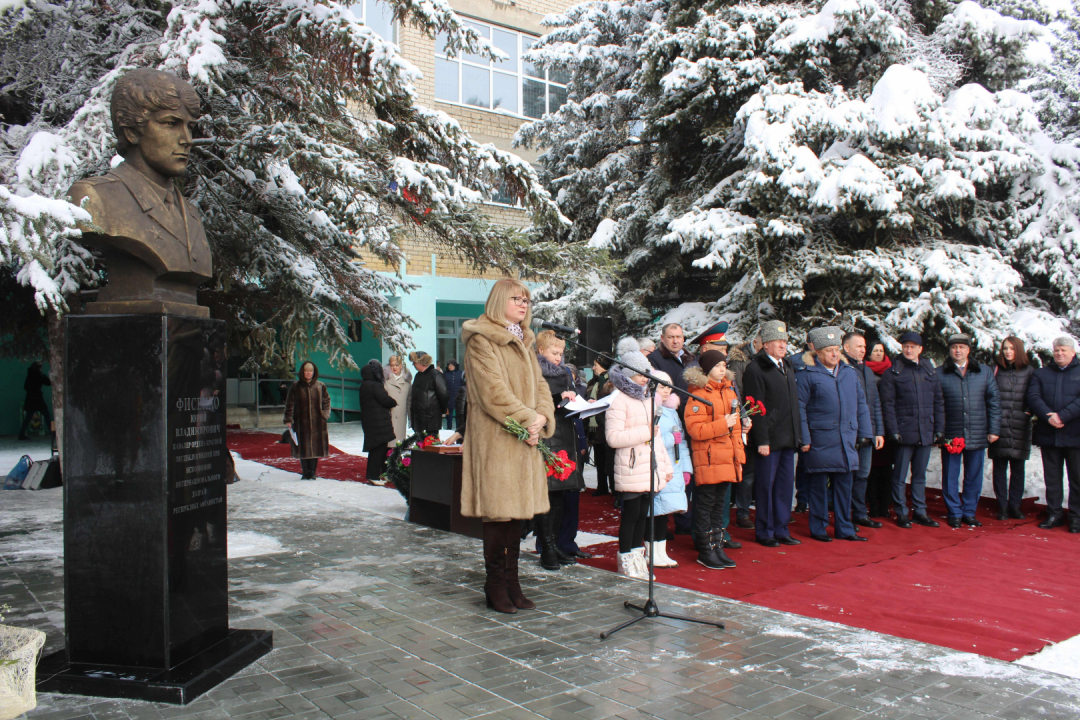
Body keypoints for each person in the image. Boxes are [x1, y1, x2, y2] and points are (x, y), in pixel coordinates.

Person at [460, 278, 555, 613]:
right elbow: (492, 392)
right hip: (497, 440)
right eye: (517, 298)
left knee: (515, 517)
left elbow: (541, 386)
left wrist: (542, 416)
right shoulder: (481, 340)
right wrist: (529, 418)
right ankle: (494, 584)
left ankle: (513, 582)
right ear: (499, 300)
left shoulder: (524, 341)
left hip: (524, 440)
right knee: (499, 516)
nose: (524, 304)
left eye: (527, 300)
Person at [796, 328, 875, 542]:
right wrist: (805, 438)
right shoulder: (807, 374)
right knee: (819, 488)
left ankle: (844, 528)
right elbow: (800, 408)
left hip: (846, 439)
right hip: (820, 440)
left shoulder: (849, 373)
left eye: (836, 350)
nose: (834, 354)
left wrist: (865, 433)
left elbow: (861, 403)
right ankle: (819, 528)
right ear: (818, 352)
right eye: (829, 350)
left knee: (844, 488)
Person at [606, 338, 673, 580]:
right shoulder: (619, 400)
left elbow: (656, 438)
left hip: (649, 467)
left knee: (643, 516)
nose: (646, 378)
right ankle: (626, 560)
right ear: (627, 374)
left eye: (647, 373)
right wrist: (645, 432)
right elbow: (613, 438)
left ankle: (638, 557)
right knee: (631, 516)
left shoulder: (647, 398)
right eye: (640, 374)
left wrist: (664, 465)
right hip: (631, 466)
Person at [741, 320, 803, 547]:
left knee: (785, 487)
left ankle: (781, 528)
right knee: (766, 487)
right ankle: (765, 531)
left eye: (785, 341)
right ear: (765, 344)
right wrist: (762, 439)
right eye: (777, 341)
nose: (782, 345)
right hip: (769, 440)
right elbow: (754, 406)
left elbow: (794, 405)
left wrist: (799, 436)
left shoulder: (786, 365)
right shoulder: (756, 368)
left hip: (788, 437)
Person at [684, 351, 747, 567]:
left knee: (720, 505)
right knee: (705, 504)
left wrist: (738, 450)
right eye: (718, 365)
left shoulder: (728, 391)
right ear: (707, 368)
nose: (723, 368)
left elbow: (736, 426)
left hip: (727, 456)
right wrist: (724, 424)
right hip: (709, 457)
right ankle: (705, 550)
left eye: (724, 364)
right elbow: (695, 430)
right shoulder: (698, 394)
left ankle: (717, 546)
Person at [879, 333, 945, 528]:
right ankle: (901, 512)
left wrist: (939, 428)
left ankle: (920, 512)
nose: (909, 350)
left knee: (919, 475)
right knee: (899, 475)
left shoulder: (930, 372)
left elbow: (938, 402)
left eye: (913, 346)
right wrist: (893, 430)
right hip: (903, 432)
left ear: (920, 349)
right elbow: (887, 404)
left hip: (925, 431)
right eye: (906, 346)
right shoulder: (893, 373)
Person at [534, 330, 586, 570]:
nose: (558, 357)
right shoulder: (535, 371)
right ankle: (546, 547)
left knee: (561, 496)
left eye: (561, 353)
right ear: (541, 350)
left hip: (566, 435)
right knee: (547, 495)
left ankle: (555, 544)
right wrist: (558, 397)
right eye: (554, 352)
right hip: (546, 436)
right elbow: (534, 401)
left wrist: (580, 402)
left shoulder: (565, 373)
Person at [939, 334, 1001, 528]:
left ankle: (969, 511)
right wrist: (939, 433)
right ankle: (954, 512)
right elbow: (936, 405)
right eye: (954, 347)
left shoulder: (984, 372)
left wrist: (993, 429)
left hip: (977, 430)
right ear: (949, 350)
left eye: (962, 347)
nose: (958, 350)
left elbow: (994, 402)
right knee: (950, 474)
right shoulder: (939, 373)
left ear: (968, 350)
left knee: (974, 474)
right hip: (952, 433)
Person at [1026, 336, 1080, 533]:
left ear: (1073, 352)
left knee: (1077, 478)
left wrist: (1062, 416)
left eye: (1064, 350)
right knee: (1052, 478)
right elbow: (1033, 396)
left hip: (1075, 434)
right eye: (1057, 350)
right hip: (1049, 434)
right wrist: (1048, 416)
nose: (1059, 353)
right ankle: (1054, 514)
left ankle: (1076, 517)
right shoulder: (1041, 374)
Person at [841, 332, 886, 528]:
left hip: (868, 431)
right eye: (858, 346)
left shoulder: (867, 370)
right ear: (846, 348)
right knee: (847, 475)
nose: (863, 350)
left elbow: (874, 404)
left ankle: (859, 513)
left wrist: (878, 431)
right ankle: (844, 515)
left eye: (864, 346)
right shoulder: (842, 368)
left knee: (863, 474)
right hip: (849, 432)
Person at [647, 371, 691, 568]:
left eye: (668, 386)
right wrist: (670, 440)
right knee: (654, 511)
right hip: (656, 467)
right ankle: (651, 552)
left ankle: (661, 552)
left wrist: (686, 469)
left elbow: (681, 444)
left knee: (664, 512)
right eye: (661, 386)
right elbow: (650, 441)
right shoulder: (651, 408)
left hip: (673, 466)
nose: (666, 391)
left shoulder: (672, 411)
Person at [990, 336, 1034, 520]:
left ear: (1019, 350)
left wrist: (1028, 412)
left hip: (1019, 425)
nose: (1008, 352)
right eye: (1005, 348)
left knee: (1018, 468)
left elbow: (1035, 394)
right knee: (999, 467)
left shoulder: (1030, 371)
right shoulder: (995, 370)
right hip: (998, 425)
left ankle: (1015, 505)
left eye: (1012, 348)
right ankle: (1002, 506)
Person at [727, 336, 759, 529]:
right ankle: (742, 511)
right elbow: (737, 391)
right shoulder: (740, 361)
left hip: (762, 419)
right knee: (746, 470)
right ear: (757, 342)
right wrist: (745, 416)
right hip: (746, 420)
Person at [284, 360, 331, 480]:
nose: (308, 373)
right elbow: (290, 403)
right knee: (303, 447)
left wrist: (325, 414)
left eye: (310, 371)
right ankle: (305, 472)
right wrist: (288, 419)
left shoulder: (320, 386)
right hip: (301, 422)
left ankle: (313, 472)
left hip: (317, 423)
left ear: (314, 372)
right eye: (306, 371)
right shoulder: (295, 386)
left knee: (315, 447)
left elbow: (326, 400)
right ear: (302, 372)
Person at [864, 342, 894, 518]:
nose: (878, 353)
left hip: (887, 426)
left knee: (886, 469)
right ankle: (873, 504)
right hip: (872, 424)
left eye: (881, 351)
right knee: (871, 470)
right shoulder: (864, 371)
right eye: (875, 350)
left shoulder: (891, 372)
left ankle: (885, 504)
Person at [358, 359, 397, 482]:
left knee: (375, 449)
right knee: (379, 450)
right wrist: (394, 402)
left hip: (370, 422)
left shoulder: (364, 385)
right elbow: (385, 400)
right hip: (379, 423)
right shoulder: (375, 385)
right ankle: (374, 475)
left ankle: (375, 474)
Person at [647, 323, 698, 408]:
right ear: (662, 338)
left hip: (693, 409)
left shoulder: (691, 359)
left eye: (678, 337)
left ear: (683, 339)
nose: (675, 341)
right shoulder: (653, 359)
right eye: (670, 337)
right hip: (670, 411)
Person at [586, 355, 616, 496]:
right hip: (595, 426)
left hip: (606, 423)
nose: (593, 368)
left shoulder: (610, 381)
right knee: (599, 458)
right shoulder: (595, 381)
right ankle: (602, 486)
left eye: (596, 364)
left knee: (609, 460)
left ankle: (614, 490)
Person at [410, 352, 447, 437]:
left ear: (421, 362)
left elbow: (443, 394)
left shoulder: (436, 375)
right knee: (419, 446)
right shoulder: (418, 376)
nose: (413, 365)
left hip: (431, 420)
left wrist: (442, 410)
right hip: (418, 420)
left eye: (414, 362)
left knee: (430, 446)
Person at [18, 361, 52, 441]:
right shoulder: (40, 375)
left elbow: (25, 387)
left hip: (30, 399)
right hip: (38, 398)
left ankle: (21, 434)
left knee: (28, 418)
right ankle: (53, 432)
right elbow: (48, 383)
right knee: (46, 415)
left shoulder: (29, 376)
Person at [384, 354, 412, 444]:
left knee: (399, 445)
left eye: (396, 365)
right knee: (389, 444)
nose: (394, 367)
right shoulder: (385, 381)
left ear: (401, 366)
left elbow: (409, 401)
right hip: (388, 418)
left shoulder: (407, 382)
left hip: (401, 418)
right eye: (392, 365)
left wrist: (410, 418)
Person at [444, 360, 464, 430]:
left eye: (451, 365)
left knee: (459, 413)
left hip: (458, 396)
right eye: (449, 365)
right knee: (449, 414)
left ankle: (458, 428)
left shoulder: (460, 373)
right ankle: (449, 428)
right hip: (449, 396)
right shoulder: (445, 374)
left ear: (455, 366)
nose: (450, 367)